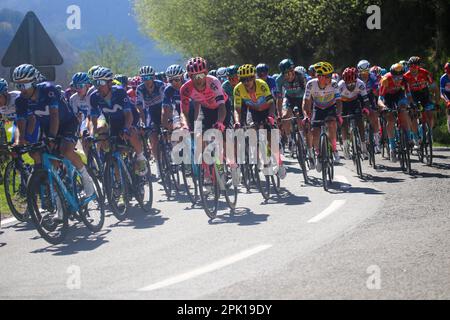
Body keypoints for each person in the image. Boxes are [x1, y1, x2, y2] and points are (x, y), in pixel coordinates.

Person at [12, 64, 95, 197]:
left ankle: (86, 178)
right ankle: (60, 205)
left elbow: (55, 116)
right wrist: (20, 142)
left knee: (66, 150)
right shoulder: (21, 101)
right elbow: (21, 124)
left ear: (34, 82)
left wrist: (51, 138)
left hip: (67, 123)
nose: (22, 90)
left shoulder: (48, 90)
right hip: (48, 127)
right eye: (18, 86)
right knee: (51, 165)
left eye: (25, 85)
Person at [89, 66, 147, 176]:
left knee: (131, 132)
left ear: (110, 83)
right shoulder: (94, 97)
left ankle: (140, 157)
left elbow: (128, 114)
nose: (98, 86)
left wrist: (126, 128)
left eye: (100, 82)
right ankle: (119, 181)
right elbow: (93, 119)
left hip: (129, 118)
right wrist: (93, 134)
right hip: (113, 122)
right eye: (95, 82)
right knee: (113, 150)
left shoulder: (119, 92)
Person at [233, 64, 285, 179]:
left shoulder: (261, 84)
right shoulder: (238, 89)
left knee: (270, 137)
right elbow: (237, 109)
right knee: (251, 131)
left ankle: (280, 163)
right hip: (253, 111)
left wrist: (271, 116)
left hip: (267, 109)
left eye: (250, 78)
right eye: (243, 80)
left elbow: (271, 102)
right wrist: (237, 122)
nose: (247, 82)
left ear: (254, 77)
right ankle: (257, 159)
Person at [303, 62, 343, 170]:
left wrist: (339, 114)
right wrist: (306, 115)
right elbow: (306, 101)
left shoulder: (334, 84)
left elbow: (339, 101)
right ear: (320, 77)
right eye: (328, 76)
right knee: (315, 133)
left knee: (331, 124)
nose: (331, 77)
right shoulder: (311, 84)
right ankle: (317, 154)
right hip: (318, 108)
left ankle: (334, 149)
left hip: (330, 107)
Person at [378, 63, 415, 162]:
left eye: (400, 77)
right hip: (387, 97)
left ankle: (408, 137)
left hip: (399, 95)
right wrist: (384, 107)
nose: (398, 80)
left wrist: (411, 104)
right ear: (391, 75)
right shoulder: (385, 80)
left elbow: (408, 94)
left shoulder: (405, 79)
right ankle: (392, 148)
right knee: (390, 119)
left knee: (404, 111)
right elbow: (380, 98)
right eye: (395, 78)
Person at [338, 67, 371, 160]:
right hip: (343, 103)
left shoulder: (360, 83)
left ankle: (364, 148)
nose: (350, 85)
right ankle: (345, 147)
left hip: (354, 102)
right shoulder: (340, 85)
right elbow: (335, 101)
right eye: (348, 83)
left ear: (356, 80)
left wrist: (366, 109)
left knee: (360, 122)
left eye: (353, 83)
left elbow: (366, 99)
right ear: (344, 81)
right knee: (344, 124)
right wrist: (338, 113)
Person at [403, 56, 439, 136]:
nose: (412, 68)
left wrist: (436, 103)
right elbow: (407, 92)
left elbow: (435, 87)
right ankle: (416, 138)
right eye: (410, 66)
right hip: (413, 95)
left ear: (419, 66)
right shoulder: (406, 76)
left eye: (415, 66)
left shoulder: (425, 73)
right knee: (413, 115)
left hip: (424, 94)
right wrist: (411, 103)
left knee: (430, 115)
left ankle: (430, 133)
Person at [440, 62, 450, 133]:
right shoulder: (443, 78)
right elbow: (442, 93)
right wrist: (447, 101)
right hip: (447, 95)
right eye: (448, 73)